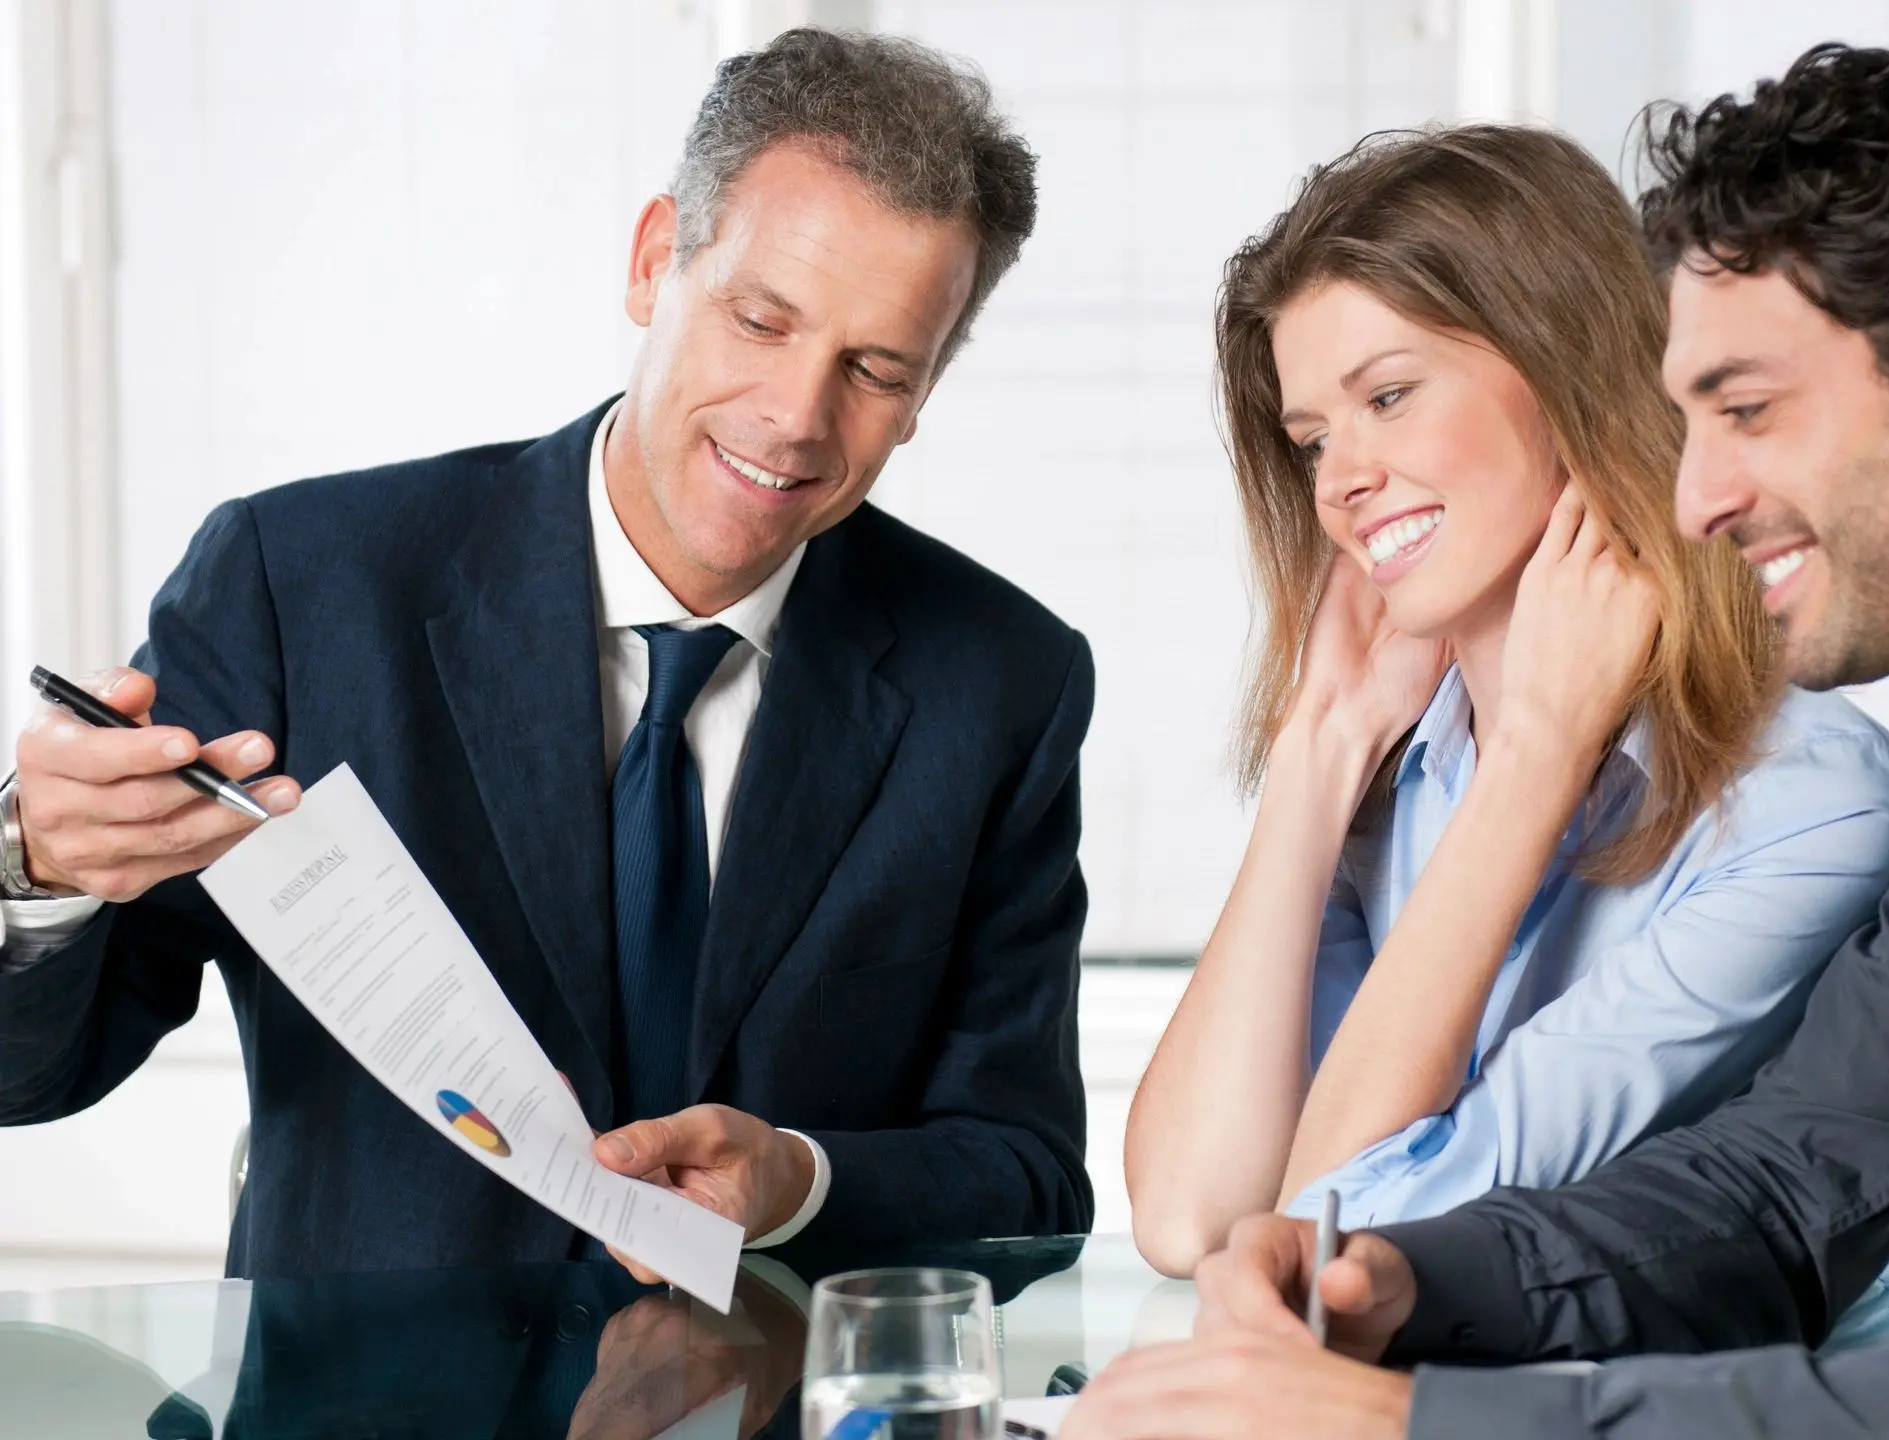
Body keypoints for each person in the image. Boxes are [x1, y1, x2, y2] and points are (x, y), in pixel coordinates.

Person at [1066, 38, 1889, 1440]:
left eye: (1750, 411)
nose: (1695, 498)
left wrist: (1403, 1427)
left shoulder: (1842, 791)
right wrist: (1414, 1279)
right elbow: (1777, 1187)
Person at [0, 28, 1094, 1276]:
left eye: (875, 368)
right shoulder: (301, 584)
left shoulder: (1003, 679)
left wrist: (799, 1180)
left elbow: (1029, 1178)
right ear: (650, 266)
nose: (795, 417)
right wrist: (36, 865)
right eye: (758, 320)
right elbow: (30, 1078)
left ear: (929, 385)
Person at [1120, 124, 1889, 1346]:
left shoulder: (1801, 797)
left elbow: (1341, 1226)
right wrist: (1317, 752)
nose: (1339, 479)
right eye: (1309, 441)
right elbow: (1190, 1217)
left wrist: (1538, 763)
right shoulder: (1401, 762)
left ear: (1570, 376)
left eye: (1386, 397)